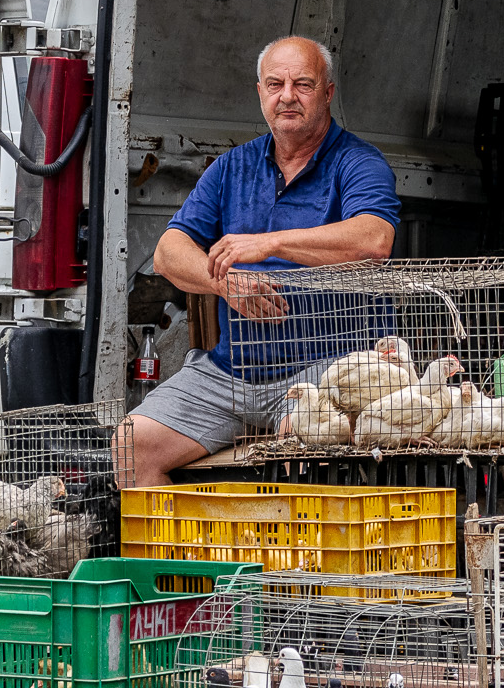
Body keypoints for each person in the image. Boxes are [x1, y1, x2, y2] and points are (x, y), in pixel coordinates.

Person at [114, 36, 399, 487]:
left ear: (327, 93)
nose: (287, 96)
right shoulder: (232, 167)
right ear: (260, 92)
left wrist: (271, 243)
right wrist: (223, 284)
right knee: (132, 446)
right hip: (231, 371)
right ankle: (193, 539)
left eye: (303, 84)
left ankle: (282, 537)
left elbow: (374, 240)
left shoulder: (359, 163)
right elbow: (168, 252)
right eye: (275, 84)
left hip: (326, 369)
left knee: (300, 452)